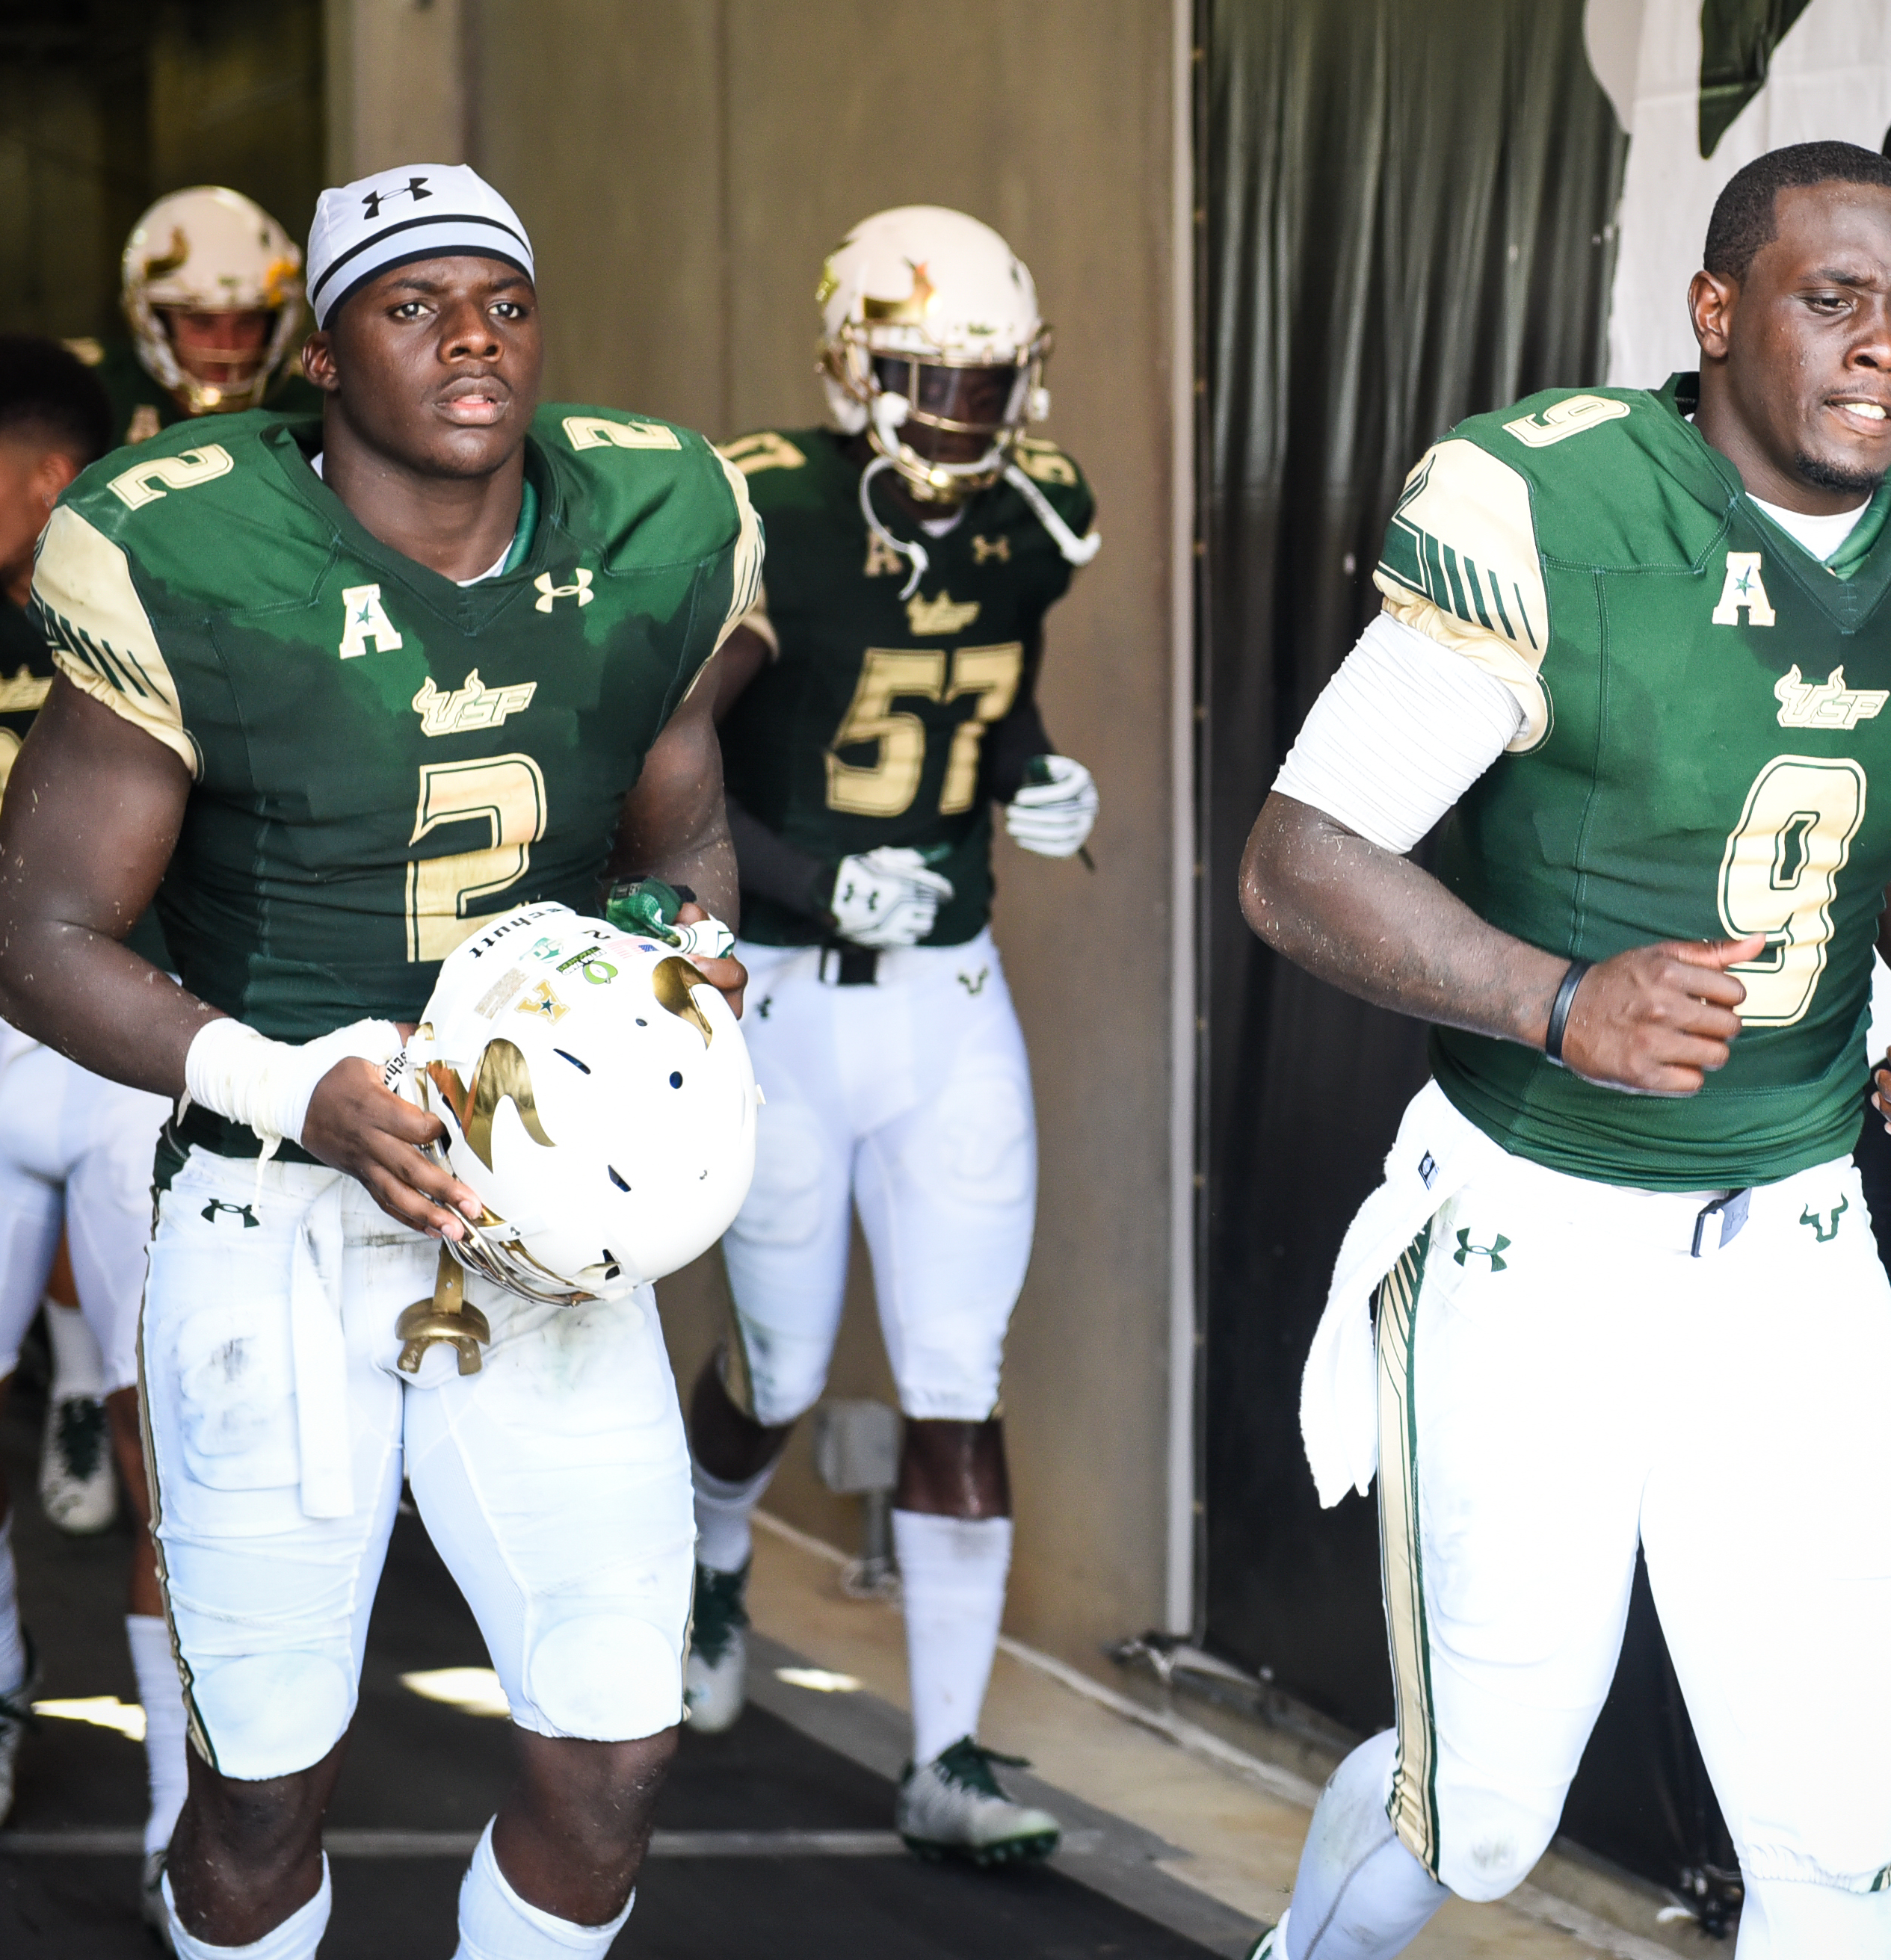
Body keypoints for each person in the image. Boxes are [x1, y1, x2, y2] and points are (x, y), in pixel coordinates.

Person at [1233, 142, 1891, 1959]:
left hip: (1792, 1229)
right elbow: (1298, 862)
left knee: (1837, 1862)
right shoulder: (1558, 507)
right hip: (1534, 1225)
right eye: (1830, 299)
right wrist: (1558, 995)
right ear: (1715, 313)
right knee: (1477, 1822)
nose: (1882, 348)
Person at [0, 163, 763, 1960]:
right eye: (412, 307)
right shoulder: (194, 547)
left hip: (541, 1225)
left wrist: (687, 972)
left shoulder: (645, 518)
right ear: (321, 358)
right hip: (278, 1209)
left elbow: (685, 832)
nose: (471, 338)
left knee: (617, 1746)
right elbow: (38, 942)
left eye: (501, 300)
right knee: (260, 1786)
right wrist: (294, 1084)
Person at [679, 203, 1102, 1865]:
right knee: (777, 1364)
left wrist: (1032, 778)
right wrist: (795, 877)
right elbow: (672, 764)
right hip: (783, 1001)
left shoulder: (1029, 519)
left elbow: (980, 702)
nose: (960, 415)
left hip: (952, 1002)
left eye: (987, 383)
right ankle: (717, 1564)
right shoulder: (763, 507)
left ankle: (948, 1753)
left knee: (953, 1375)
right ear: (852, 368)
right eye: (925, 377)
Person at [0, 336, 187, 1869]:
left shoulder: (174, 603)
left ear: (55, 476)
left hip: (140, 1054)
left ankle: (183, 1805)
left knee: (172, 1450)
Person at [70, 185, 321, 448]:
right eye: (202, 323)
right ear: (153, 321)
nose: (227, 346)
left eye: (248, 322)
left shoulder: (314, 405)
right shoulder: (88, 393)